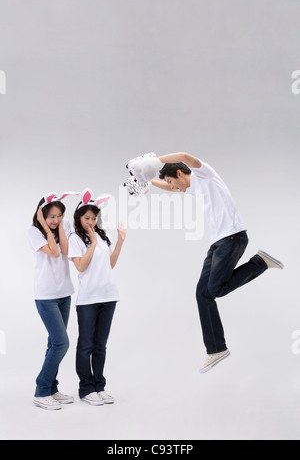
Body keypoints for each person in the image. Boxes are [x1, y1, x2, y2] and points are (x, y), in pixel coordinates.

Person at [125, 152, 284, 373]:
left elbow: (183, 155)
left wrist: (154, 162)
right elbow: (171, 188)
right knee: (203, 293)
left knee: (215, 290)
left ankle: (260, 263)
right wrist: (146, 179)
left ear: (180, 173)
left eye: (172, 180)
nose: (173, 187)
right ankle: (216, 349)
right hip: (219, 243)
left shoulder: (204, 175)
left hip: (232, 237)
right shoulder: (190, 188)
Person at [68, 189, 126, 406]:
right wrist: (91, 243)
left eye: (94, 218)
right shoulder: (75, 239)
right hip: (88, 300)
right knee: (86, 345)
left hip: (109, 295)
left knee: (101, 345)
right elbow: (81, 266)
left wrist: (120, 241)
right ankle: (86, 389)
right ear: (79, 218)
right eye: (86, 218)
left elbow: (109, 265)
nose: (91, 221)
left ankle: (99, 386)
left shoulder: (104, 236)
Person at [28, 192, 76, 410]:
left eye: (59, 216)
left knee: (53, 344)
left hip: (64, 293)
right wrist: (45, 228)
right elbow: (54, 253)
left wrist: (59, 228)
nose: (56, 220)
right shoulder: (33, 232)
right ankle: (41, 390)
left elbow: (65, 250)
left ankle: (52, 389)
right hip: (46, 296)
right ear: (41, 216)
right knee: (61, 343)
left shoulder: (64, 226)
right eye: (51, 217)